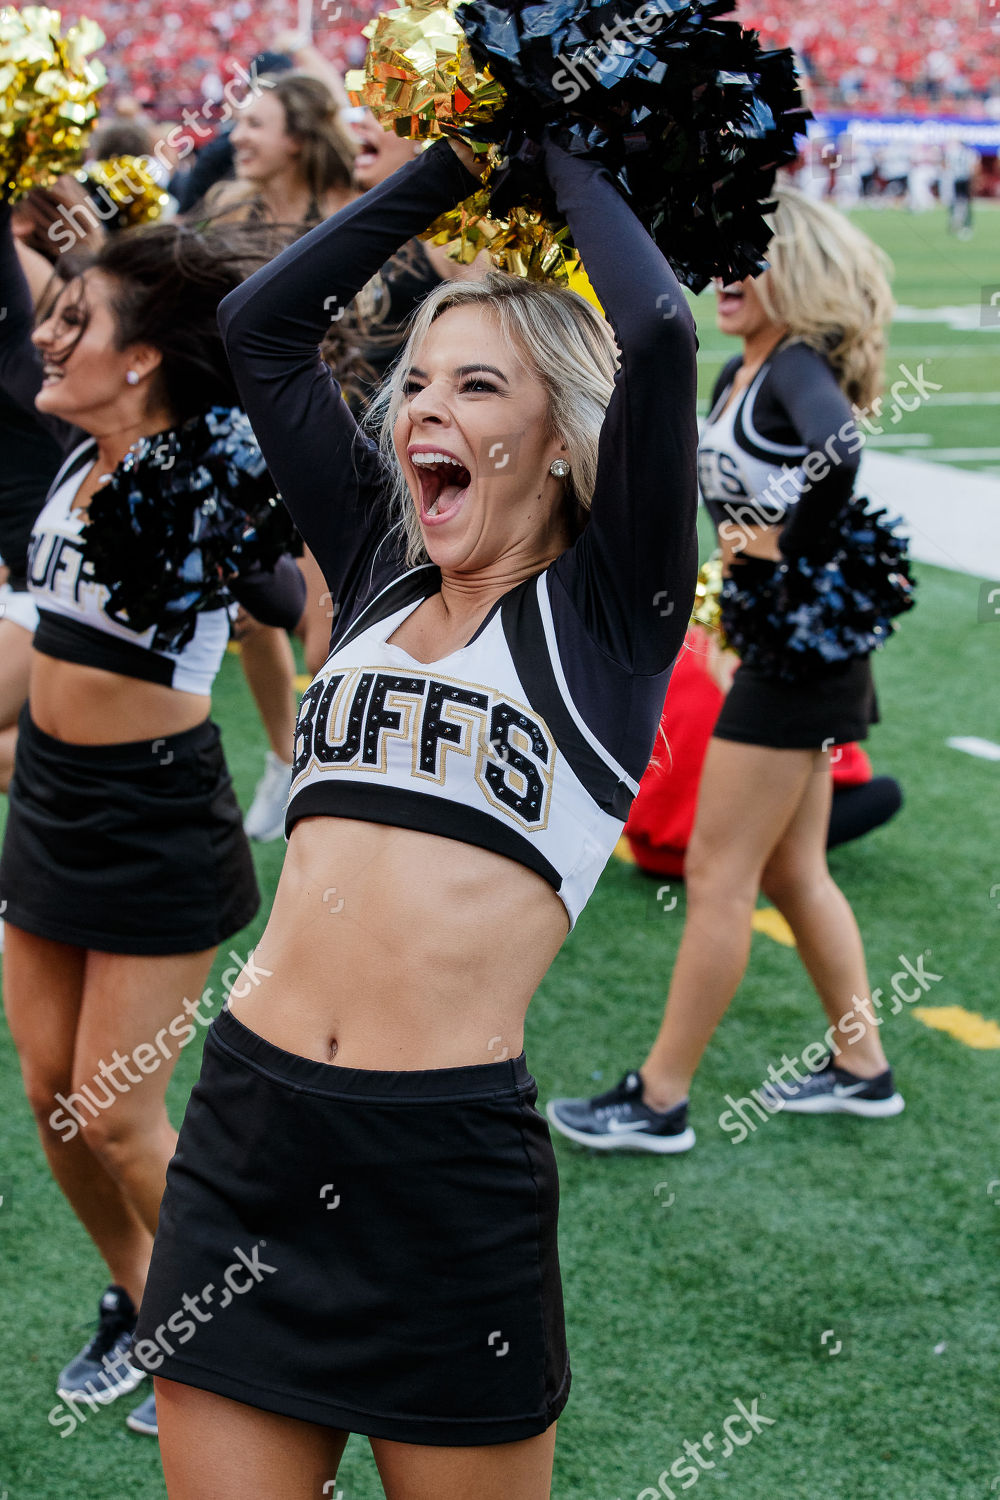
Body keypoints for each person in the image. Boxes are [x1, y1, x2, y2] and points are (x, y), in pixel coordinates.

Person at [133, 134, 698, 1497]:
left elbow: (663, 331)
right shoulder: (383, 568)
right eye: (417, 384)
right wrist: (458, 152)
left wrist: (555, 141)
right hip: (250, 1138)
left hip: (442, 1178)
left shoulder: (612, 622)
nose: (419, 412)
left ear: (563, 442)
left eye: (477, 385)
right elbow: (262, 323)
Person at [0, 204, 305, 1436]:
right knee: (49, 1096)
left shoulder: (202, 470)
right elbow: (38, 643)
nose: (47, 342)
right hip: (54, 805)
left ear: (144, 359)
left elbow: (283, 580)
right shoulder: (78, 461)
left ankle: (238, 1339)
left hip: (158, 817)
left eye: (79, 323)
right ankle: (146, 1299)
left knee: (121, 1115)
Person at [547, 185, 905, 1155]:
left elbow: (838, 449)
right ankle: (863, 1068)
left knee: (716, 873)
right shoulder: (740, 371)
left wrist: (789, 548)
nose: (728, 277)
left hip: (800, 655)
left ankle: (659, 1099)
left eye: (750, 259)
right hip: (780, 644)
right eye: (724, 259)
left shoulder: (791, 365)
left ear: (795, 272)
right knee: (791, 869)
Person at [196, 69, 358, 842]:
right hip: (237, 437)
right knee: (247, 605)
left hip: (329, 436)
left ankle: (333, 773)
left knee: (323, 620)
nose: (237, 135)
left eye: (254, 123)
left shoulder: (349, 215)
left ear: (297, 135)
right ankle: (280, 751)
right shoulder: (227, 208)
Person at [622, 623, 903, 879]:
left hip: (641, 839)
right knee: (884, 793)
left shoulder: (689, 637)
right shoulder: (795, 664)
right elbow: (848, 773)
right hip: (714, 856)